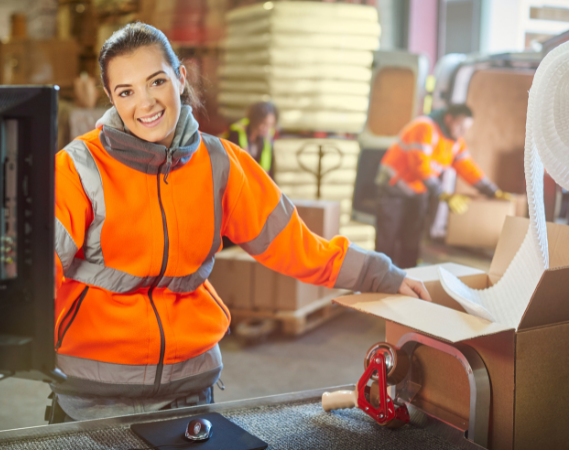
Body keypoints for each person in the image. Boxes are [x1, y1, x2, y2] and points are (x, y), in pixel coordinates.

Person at [49, 22, 431, 423]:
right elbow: (39, 268)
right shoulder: (79, 167)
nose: (145, 103)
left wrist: (378, 274)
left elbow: (296, 246)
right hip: (92, 398)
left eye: (155, 82)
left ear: (180, 79)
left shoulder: (221, 165)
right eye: (126, 91)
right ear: (111, 98)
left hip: (189, 390)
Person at [375, 104, 511, 269]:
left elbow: (468, 168)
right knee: (387, 240)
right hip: (393, 189)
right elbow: (419, 166)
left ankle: (406, 281)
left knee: (412, 241)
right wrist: (443, 194)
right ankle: (377, 283)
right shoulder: (424, 128)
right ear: (449, 119)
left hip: (418, 192)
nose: (462, 132)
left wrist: (492, 191)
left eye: (466, 128)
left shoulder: (456, 142)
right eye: (460, 126)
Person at [224, 101, 278, 179]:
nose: (267, 129)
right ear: (254, 120)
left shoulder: (267, 140)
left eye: (270, 125)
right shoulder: (235, 134)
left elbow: (271, 172)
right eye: (264, 123)